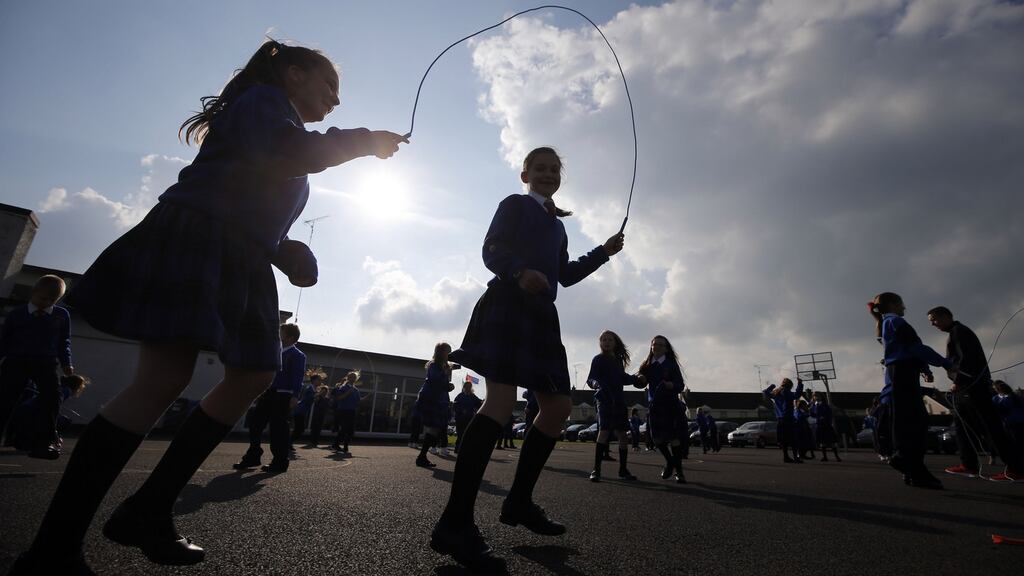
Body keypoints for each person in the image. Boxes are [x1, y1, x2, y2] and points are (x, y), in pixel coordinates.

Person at [9, 40, 407, 573]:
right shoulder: (265, 102)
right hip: (200, 241)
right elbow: (282, 155)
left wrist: (287, 250)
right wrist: (365, 141)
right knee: (163, 381)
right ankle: (55, 550)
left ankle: (147, 508)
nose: (336, 100)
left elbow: (254, 192)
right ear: (292, 74)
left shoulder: (273, 114)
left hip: (236, 251)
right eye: (329, 86)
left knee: (253, 372)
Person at [429, 146, 625, 572]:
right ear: (525, 175)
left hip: (541, 315)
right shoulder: (514, 205)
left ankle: (518, 502)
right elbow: (492, 248)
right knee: (498, 405)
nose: (549, 174)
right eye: (541, 168)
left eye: (555, 169)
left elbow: (565, 275)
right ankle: (455, 522)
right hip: (508, 303)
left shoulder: (558, 227)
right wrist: (518, 272)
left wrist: (605, 252)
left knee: (557, 407)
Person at [868, 292, 953, 489]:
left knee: (910, 422)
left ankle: (912, 470)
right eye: (901, 303)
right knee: (914, 423)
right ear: (893, 304)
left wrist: (924, 369)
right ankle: (905, 461)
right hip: (903, 374)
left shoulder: (887, 323)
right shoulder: (896, 322)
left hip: (901, 374)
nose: (904, 307)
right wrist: (945, 363)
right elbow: (915, 347)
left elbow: (883, 340)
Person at [927, 306, 1022, 482]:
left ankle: (1017, 468)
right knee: (961, 424)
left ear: (946, 316)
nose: (933, 324)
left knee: (991, 427)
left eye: (934, 319)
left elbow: (966, 360)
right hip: (969, 388)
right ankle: (968, 464)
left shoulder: (959, 332)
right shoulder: (957, 332)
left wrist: (958, 381)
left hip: (973, 388)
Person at [0, 274, 74, 460]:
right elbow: (5, 340)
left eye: (52, 300)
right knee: (6, 399)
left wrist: (66, 363)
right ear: (33, 293)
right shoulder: (17, 314)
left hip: (45, 362)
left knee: (52, 397)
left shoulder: (61, 315)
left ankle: (44, 442)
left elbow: (63, 341)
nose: (46, 303)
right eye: (43, 298)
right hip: (17, 361)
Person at [232, 324, 306, 473]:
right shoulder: (274, 352)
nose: (277, 334)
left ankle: (280, 461)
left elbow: (298, 378)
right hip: (269, 392)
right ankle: (254, 454)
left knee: (278, 429)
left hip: (283, 394)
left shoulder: (297, 355)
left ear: (290, 338)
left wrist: (295, 396)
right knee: (255, 423)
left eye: (281, 332)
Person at [586, 330, 645, 482]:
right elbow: (591, 378)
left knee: (622, 435)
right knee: (604, 431)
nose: (606, 342)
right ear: (600, 343)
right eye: (604, 340)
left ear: (615, 342)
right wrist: (595, 384)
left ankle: (623, 470)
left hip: (618, 400)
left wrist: (635, 379)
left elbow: (622, 378)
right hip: (604, 400)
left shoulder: (618, 360)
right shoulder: (598, 359)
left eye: (610, 340)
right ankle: (596, 470)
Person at [639, 335, 688, 483]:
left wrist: (671, 385)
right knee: (657, 439)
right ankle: (670, 462)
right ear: (651, 347)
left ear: (666, 348)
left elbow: (680, 385)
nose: (657, 347)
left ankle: (679, 472)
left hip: (670, 405)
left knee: (674, 439)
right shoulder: (647, 365)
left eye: (661, 345)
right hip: (655, 407)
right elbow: (640, 383)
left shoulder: (671, 364)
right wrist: (640, 378)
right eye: (655, 344)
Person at [415, 343, 455, 468]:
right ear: (441, 352)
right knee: (434, 428)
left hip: (438, 400)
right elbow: (434, 380)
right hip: (432, 400)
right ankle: (422, 456)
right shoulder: (434, 365)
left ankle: (422, 456)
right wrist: (446, 383)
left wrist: (448, 386)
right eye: (448, 351)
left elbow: (439, 383)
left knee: (435, 428)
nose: (449, 354)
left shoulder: (441, 366)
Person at [764, 378, 804, 463]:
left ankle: (786, 457)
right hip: (788, 417)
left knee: (784, 439)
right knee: (793, 439)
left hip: (780, 418)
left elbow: (766, 392)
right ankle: (796, 458)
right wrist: (800, 384)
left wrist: (772, 386)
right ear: (790, 385)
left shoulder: (776, 393)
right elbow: (796, 395)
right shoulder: (786, 392)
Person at [331, 371, 362, 455]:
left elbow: (358, 401)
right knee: (344, 428)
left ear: (356, 379)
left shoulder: (356, 390)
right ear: (348, 378)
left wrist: (369, 397)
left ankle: (345, 446)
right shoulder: (343, 387)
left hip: (352, 411)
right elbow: (339, 398)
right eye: (351, 377)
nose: (353, 378)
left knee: (351, 431)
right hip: (343, 410)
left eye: (354, 377)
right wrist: (348, 392)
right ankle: (336, 444)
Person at [452, 379, 482, 453]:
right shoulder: (460, 396)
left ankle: (465, 448)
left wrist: (483, 402)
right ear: (464, 387)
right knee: (460, 433)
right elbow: (455, 406)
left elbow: (478, 403)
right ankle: (457, 448)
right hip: (460, 419)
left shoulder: (472, 396)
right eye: (467, 387)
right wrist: (461, 410)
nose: (469, 388)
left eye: (470, 387)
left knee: (468, 434)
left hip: (469, 418)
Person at [993, 381, 1024, 450]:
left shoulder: (1002, 398)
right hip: (1014, 422)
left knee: (1017, 442)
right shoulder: (1014, 396)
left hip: (1012, 422)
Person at [811, 393, 841, 462]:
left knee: (832, 442)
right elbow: (812, 414)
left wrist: (825, 419)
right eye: (815, 396)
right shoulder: (813, 406)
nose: (816, 397)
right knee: (822, 442)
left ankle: (837, 457)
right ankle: (824, 457)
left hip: (826, 425)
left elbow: (829, 414)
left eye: (818, 396)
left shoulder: (825, 405)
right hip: (819, 425)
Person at [291, 371, 319, 446]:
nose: (319, 382)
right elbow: (306, 398)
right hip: (300, 410)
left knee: (299, 429)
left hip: (303, 411)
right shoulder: (309, 387)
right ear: (313, 380)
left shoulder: (313, 388)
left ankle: (289, 442)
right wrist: (314, 397)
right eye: (318, 380)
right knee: (299, 429)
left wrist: (314, 397)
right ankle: (288, 442)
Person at [307, 381, 331, 447]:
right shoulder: (318, 397)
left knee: (318, 428)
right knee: (314, 428)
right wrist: (319, 394)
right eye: (323, 390)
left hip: (322, 414)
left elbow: (327, 408)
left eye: (325, 391)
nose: (324, 392)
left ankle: (315, 441)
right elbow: (315, 400)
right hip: (316, 414)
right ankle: (312, 441)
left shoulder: (327, 399)